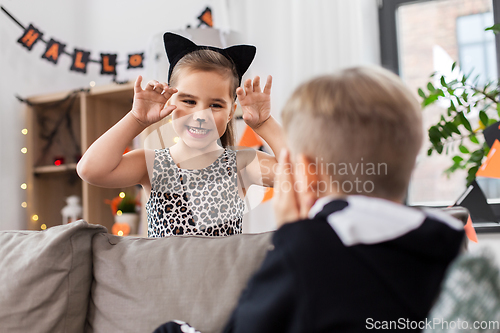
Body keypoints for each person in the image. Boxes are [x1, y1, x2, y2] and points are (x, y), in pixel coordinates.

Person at [153, 66, 465, 332]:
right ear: (411, 162)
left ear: (307, 174)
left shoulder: (303, 246)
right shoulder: (453, 245)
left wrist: (295, 230)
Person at [77, 32, 285, 237]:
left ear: (231, 112)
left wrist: (265, 124)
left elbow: (303, 176)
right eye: (189, 101)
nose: (201, 115)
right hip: (164, 272)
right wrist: (136, 119)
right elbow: (90, 170)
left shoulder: (242, 165)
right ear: (169, 102)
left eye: (215, 105)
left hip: (223, 272)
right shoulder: (151, 163)